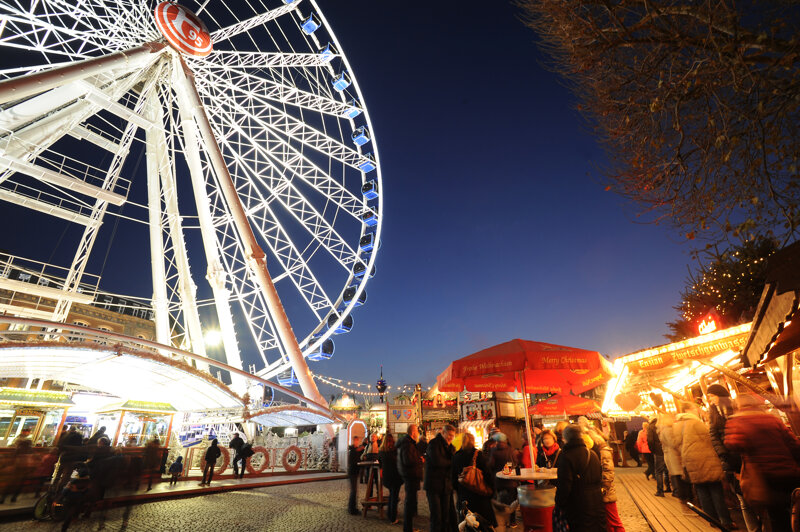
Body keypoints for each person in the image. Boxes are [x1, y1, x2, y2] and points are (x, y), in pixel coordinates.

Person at [725, 394, 800, 532]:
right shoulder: (772, 419)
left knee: (777, 517)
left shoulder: (738, 421)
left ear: (738, 406)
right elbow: (794, 445)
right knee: (796, 509)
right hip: (789, 472)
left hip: (765, 477)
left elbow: (732, 445)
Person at [673, 403, 734, 529]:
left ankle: (712, 520)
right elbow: (710, 439)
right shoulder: (696, 423)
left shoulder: (677, 426)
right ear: (688, 410)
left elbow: (676, 445)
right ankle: (726, 521)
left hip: (690, 462)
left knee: (702, 492)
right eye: (694, 409)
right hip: (706, 460)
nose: (696, 411)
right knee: (716, 490)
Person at [555, 424, 606, 532]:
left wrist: (559, 504)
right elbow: (600, 477)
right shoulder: (593, 454)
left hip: (578, 504)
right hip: (597, 502)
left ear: (565, 438)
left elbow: (564, 485)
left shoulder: (566, 456)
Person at [452, 431, 496, 527]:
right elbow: (487, 474)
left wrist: (458, 490)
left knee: (466, 523)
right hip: (479, 495)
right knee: (481, 523)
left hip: (463, 495)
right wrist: (491, 489)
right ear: (473, 441)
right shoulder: (478, 455)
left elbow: (453, 478)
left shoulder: (456, 456)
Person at [589, 431, 624, 532]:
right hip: (603, 489)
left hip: (606, 491)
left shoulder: (603, 451)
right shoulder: (599, 451)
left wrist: (604, 488)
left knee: (614, 520)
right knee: (607, 521)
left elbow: (608, 471)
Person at [425, 424, 457, 532]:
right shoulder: (433, 444)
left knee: (445, 516)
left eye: (453, 436)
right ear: (443, 433)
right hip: (434, 485)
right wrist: (452, 463)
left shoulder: (451, 447)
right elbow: (437, 461)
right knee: (436, 516)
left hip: (446, 486)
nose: (451, 438)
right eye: (449, 435)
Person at [657, 414, 689, 503]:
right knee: (679, 476)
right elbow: (673, 443)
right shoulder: (668, 430)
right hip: (674, 455)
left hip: (670, 455)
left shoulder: (662, 430)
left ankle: (679, 494)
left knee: (676, 475)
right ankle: (681, 495)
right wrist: (680, 440)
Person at [398, 424, 424, 532]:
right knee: (409, 503)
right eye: (417, 431)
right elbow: (408, 460)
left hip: (411, 475)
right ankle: (407, 528)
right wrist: (419, 460)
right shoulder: (408, 444)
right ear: (413, 433)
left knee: (410, 502)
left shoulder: (409, 443)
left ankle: (408, 527)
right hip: (410, 476)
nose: (418, 433)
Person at [489, 431, 518, 526]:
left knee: (500, 501)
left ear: (497, 441)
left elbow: (491, 465)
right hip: (511, 481)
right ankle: (512, 521)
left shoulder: (494, 451)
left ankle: (502, 521)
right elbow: (515, 462)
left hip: (498, 481)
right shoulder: (511, 450)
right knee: (512, 502)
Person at [378, 432, 403, 524]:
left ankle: (390, 514)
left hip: (387, 477)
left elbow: (380, 464)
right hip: (395, 476)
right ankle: (393, 517)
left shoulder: (381, 451)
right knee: (394, 497)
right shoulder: (395, 451)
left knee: (392, 495)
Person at [646, 416, 670, 497]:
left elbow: (650, 440)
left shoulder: (651, 427)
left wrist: (652, 449)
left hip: (658, 451)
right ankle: (669, 487)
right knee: (667, 470)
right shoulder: (664, 424)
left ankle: (660, 491)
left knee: (659, 472)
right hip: (667, 450)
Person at [347, 434, 365, 515]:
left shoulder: (356, 450)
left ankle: (352, 507)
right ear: (354, 441)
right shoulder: (352, 450)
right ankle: (352, 509)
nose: (357, 442)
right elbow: (353, 461)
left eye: (358, 441)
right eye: (356, 441)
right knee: (353, 491)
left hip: (355, 472)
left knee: (354, 491)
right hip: (352, 472)